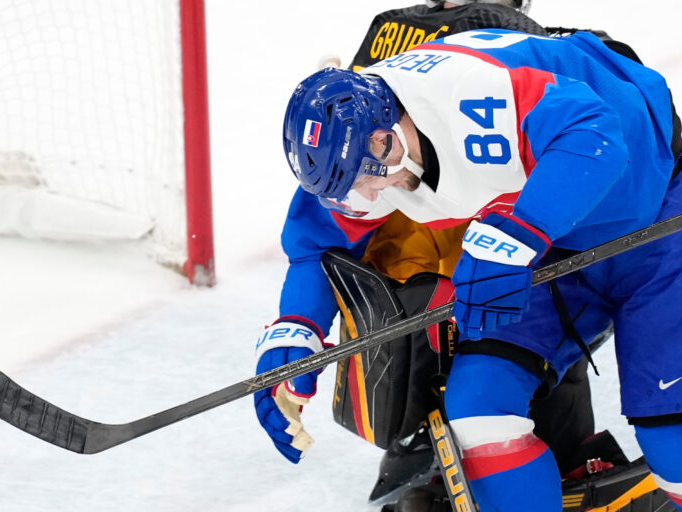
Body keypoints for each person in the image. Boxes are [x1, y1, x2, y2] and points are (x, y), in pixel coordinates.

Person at [264, 23, 682, 512]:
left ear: (389, 132)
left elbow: (598, 135)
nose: (371, 194)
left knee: (671, 441)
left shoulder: (475, 94)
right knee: (480, 408)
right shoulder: (356, 147)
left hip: (659, 222)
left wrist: (520, 231)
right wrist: (296, 326)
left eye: (370, 174)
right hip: (559, 248)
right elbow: (315, 244)